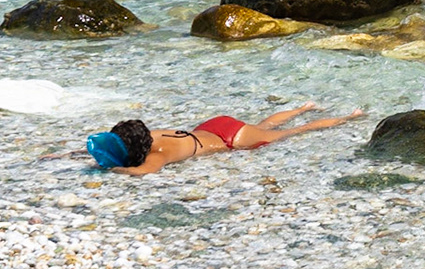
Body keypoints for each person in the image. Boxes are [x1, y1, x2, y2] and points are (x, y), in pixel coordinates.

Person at [79, 104, 365, 176]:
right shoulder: (148, 135)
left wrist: (106, 168)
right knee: (265, 124)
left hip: (231, 139)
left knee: (292, 133)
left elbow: (142, 172)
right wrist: (73, 155)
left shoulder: (158, 155)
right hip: (213, 126)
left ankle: (351, 117)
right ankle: (305, 107)